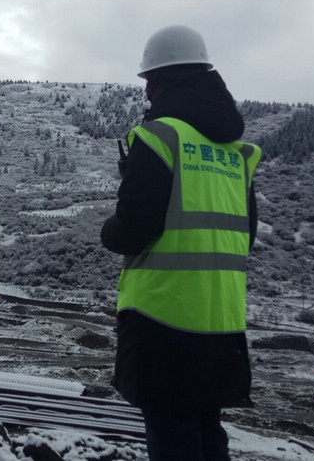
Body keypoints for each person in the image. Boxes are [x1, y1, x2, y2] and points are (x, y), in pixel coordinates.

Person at [101, 25, 261, 460]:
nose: (148, 93)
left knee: (172, 433)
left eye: (149, 81)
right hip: (221, 319)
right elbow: (245, 234)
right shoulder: (236, 153)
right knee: (207, 428)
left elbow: (132, 230)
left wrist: (107, 228)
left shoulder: (158, 138)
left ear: (163, 79)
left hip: (163, 316)